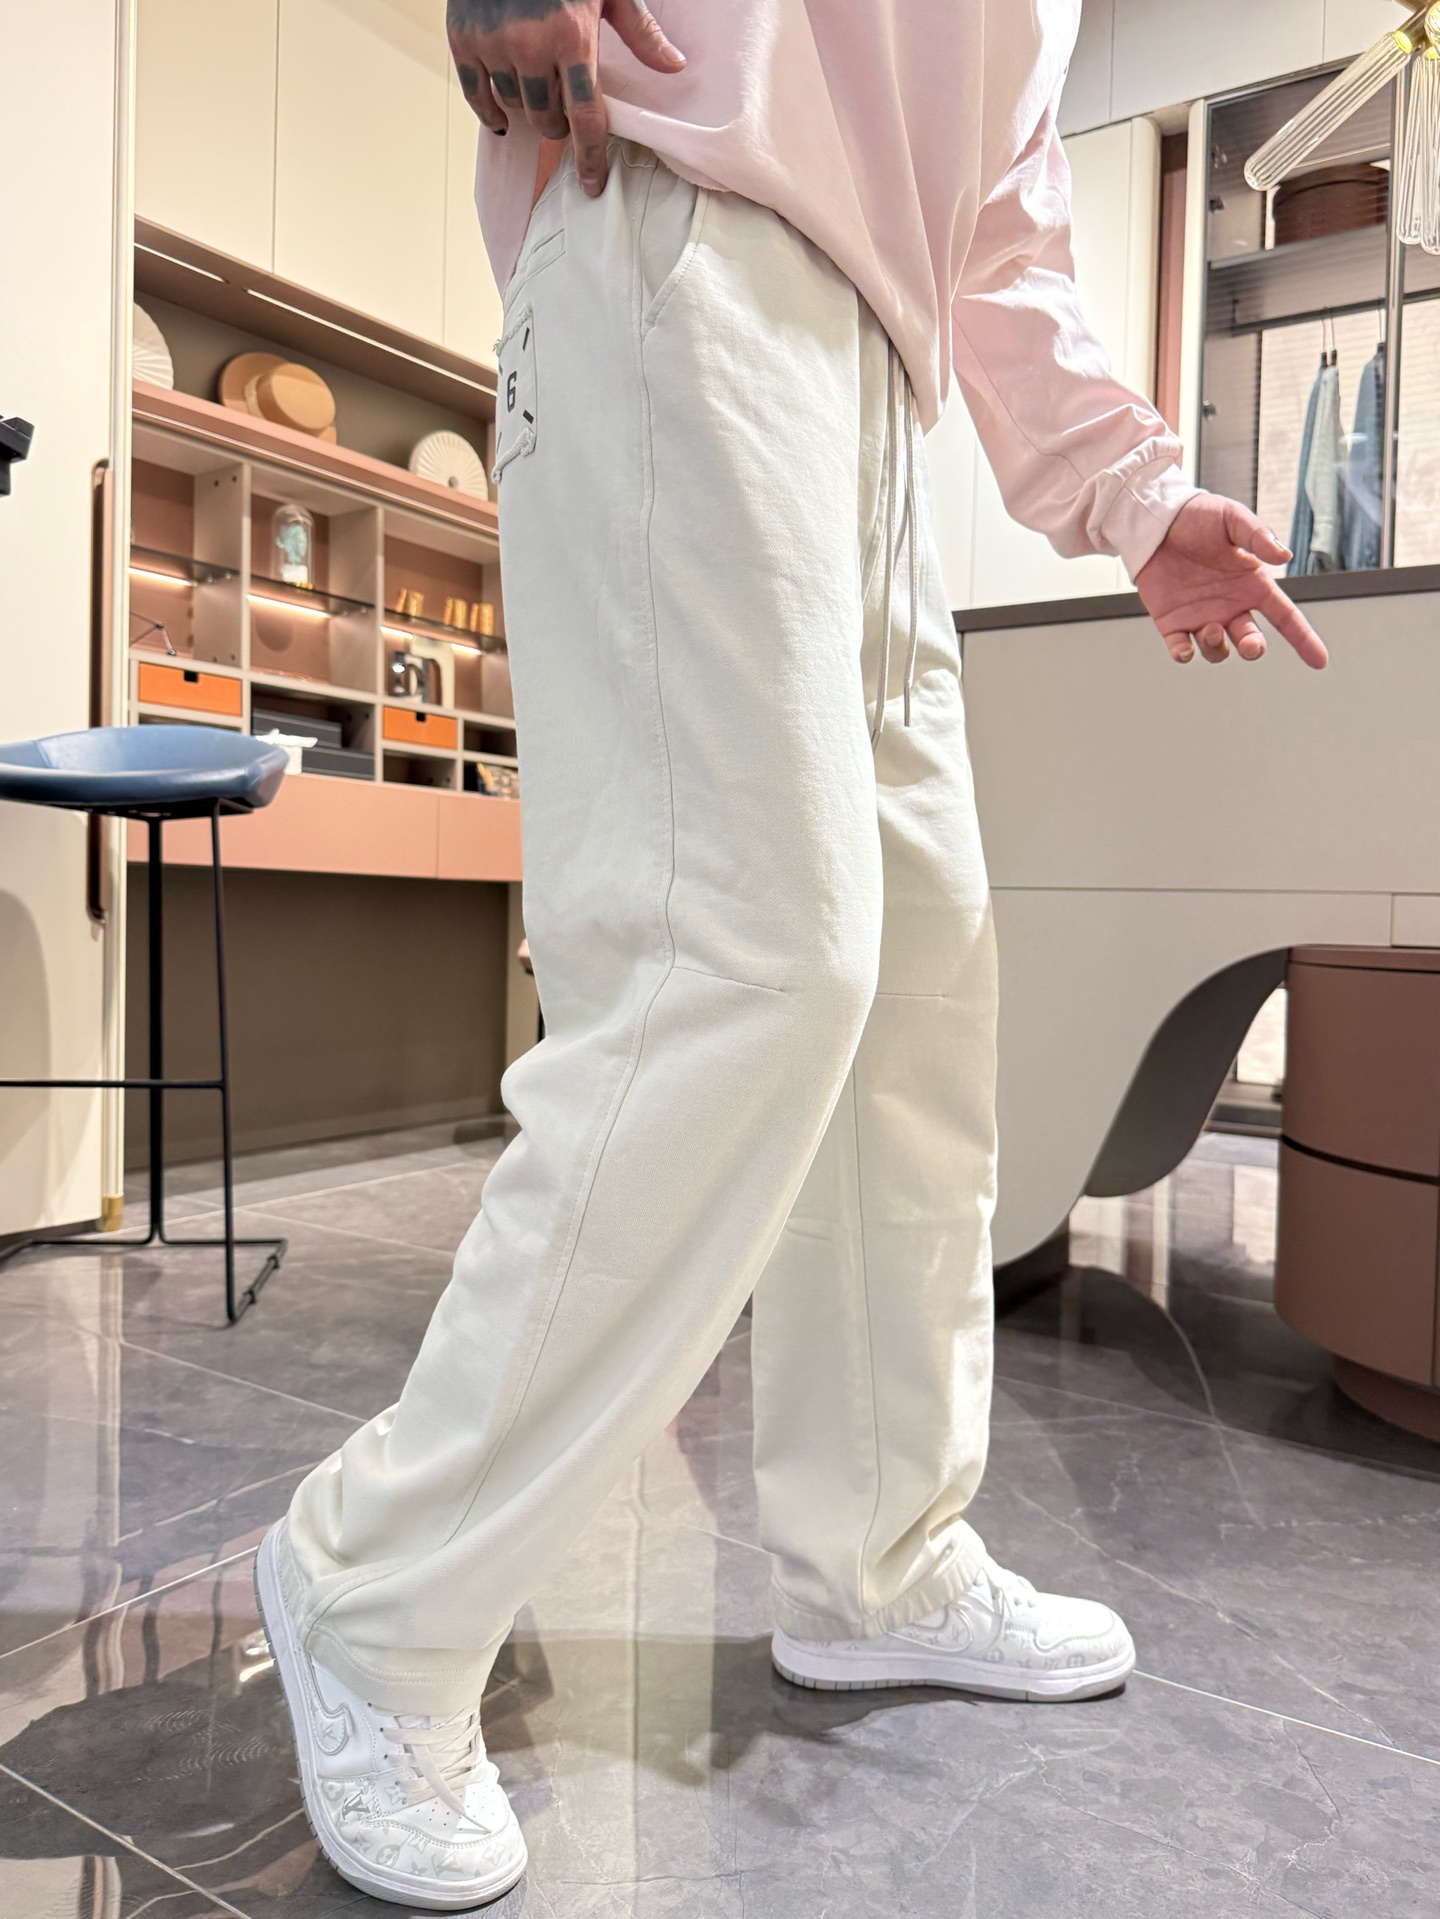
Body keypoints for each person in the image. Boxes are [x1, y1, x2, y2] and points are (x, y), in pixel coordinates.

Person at [254, 1, 1329, 1907]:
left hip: (881, 384)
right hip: (681, 227)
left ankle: (877, 1558)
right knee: (742, 965)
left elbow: (999, 218)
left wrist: (1135, 492)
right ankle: (375, 1586)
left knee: (916, 997)